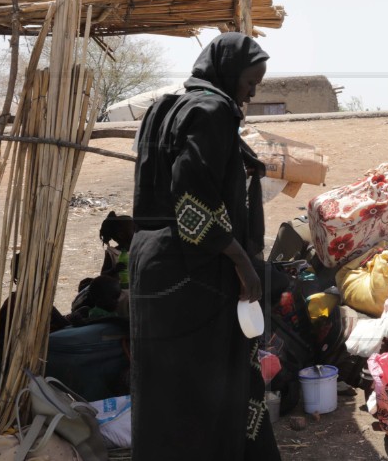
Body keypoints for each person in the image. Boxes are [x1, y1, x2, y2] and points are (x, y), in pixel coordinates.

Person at [129, 32, 279, 461]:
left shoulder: (166, 107)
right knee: (207, 384)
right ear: (228, 72)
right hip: (190, 268)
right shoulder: (213, 111)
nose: (253, 92)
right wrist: (239, 259)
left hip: (151, 261)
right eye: (250, 81)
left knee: (163, 387)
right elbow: (190, 193)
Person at [99, 211, 135, 289]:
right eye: (134, 229)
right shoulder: (112, 253)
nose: (137, 232)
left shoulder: (138, 249)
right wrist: (115, 270)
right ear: (121, 235)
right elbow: (103, 275)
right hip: (119, 292)